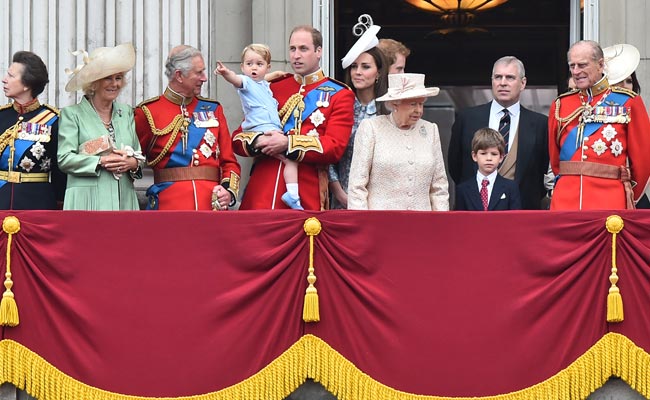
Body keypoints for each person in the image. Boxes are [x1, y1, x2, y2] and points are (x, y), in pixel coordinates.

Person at [232, 25, 355, 210]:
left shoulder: (339, 94)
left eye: (303, 49)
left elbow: (334, 147)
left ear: (319, 51)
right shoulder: (272, 87)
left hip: (304, 196)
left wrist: (287, 144)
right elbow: (238, 138)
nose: (296, 55)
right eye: (292, 49)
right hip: (260, 193)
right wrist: (258, 141)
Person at [135, 45, 241, 210]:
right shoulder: (148, 112)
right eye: (199, 73)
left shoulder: (214, 109)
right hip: (169, 208)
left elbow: (229, 162)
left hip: (211, 207)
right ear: (179, 76)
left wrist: (228, 191)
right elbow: (134, 162)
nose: (204, 78)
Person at [548, 40, 650, 210]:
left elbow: (643, 161)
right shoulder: (560, 105)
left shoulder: (628, 102)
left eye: (582, 65)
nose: (576, 71)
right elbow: (556, 161)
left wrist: (627, 195)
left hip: (609, 200)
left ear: (600, 65)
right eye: (572, 66)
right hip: (565, 201)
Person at [448, 56, 548, 210]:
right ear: (492, 81)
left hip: (522, 213)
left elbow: (542, 172)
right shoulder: (467, 118)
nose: (503, 83)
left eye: (510, 77)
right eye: (498, 77)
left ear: (523, 83)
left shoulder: (541, 124)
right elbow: (455, 166)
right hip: (473, 212)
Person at [215, 44, 302, 210]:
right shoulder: (246, 82)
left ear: (267, 67)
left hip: (271, 128)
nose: (253, 68)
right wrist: (226, 73)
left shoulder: (263, 85)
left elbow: (263, 80)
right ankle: (292, 194)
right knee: (291, 158)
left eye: (259, 64)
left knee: (288, 159)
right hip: (262, 129)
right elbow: (237, 79)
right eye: (249, 64)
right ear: (242, 67)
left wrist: (276, 74)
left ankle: (292, 193)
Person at [58, 43, 144, 210]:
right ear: (93, 82)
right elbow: (64, 159)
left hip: (124, 200)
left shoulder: (126, 112)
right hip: (86, 201)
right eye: (108, 78)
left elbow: (138, 156)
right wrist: (101, 161)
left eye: (118, 78)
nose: (115, 84)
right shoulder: (72, 114)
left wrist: (132, 163)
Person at [347, 73, 448, 211]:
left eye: (421, 104)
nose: (419, 110)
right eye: (413, 104)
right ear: (395, 103)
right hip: (380, 224)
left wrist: (440, 225)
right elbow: (357, 187)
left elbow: (439, 187)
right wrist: (362, 225)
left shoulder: (431, 130)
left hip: (422, 224)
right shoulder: (371, 128)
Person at [328, 23, 389, 209]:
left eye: (365, 66)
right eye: (354, 67)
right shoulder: (339, 106)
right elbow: (328, 156)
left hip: (381, 200)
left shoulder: (389, 110)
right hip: (342, 198)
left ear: (378, 72)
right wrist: (339, 193)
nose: (358, 72)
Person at [0, 51, 65, 209]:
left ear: (26, 84)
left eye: (11, 76)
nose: (4, 80)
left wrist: (60, 202)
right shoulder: (2, 115)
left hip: (37, 203)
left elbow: (60, 169)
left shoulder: (53, 119)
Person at [455, 127, 521, 211]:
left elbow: (516, 219)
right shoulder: (462, 189)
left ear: (501, 157)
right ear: (474, 156)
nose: (489, 158)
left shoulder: (511, 187)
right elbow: (460, 220)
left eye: (494, 154)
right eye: (483, 153)